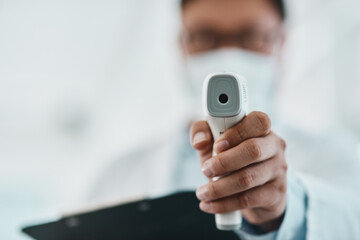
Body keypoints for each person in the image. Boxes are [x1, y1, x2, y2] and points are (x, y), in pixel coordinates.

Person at [88, 0, 360, 239]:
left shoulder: (336, 157)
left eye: (250, 37)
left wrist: (285, 211)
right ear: (181, 46)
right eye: (206, 38)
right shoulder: (118, 174)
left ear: (282, 44)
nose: (228, 55)